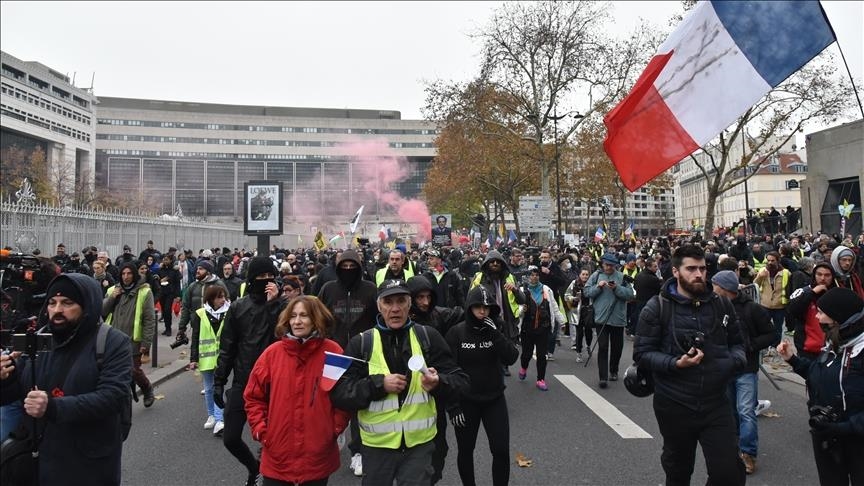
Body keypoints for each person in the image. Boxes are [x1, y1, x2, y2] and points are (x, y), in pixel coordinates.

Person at [330, 279, 470, 486]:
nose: (395, 309)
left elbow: (461, 382)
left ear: (409, 304)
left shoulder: (428, 337)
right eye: (388, 302)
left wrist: (439, 382)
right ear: (379, 306)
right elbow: (340, 393)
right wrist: (378, 385)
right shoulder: (361, 343)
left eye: (401, 301)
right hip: (377, 448)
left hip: (419, 446)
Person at [1, 273, 132, 485]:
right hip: (40, 460)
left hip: (89, 464)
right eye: (52, 303)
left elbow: (112, 397)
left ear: (87, 305)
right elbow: (17, 392)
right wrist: (6, 377)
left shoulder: (113, 342)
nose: (57, 310)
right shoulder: (40, 340)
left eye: (67, 303)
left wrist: (52, 406)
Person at [633, 244, 746, 486]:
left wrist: (731, 362)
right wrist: (676, 363)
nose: (698, 274)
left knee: (729, 473)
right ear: (676, 271)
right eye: (691, 269)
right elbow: (642, 354)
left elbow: (738, 343)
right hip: (674, 403)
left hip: (716, 402)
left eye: (702, 269)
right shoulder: (657, 307)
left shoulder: (721, 304)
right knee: (678, 472)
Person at [244, 296, 351, 485]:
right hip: (277, 454)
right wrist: (261, 430)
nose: (297, 321)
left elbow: (345, 396)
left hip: (317, 455)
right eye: (293, 316)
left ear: (316, 318)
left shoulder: (333, 352)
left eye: (304, 315)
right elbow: (253, 396)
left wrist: (334, 428)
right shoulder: (272, 354)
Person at [777, 287, 864, 486]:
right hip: (827, 434)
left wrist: (844, 427)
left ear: (838, 317)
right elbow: (820, 374)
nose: (817, 317)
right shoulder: (835, 342)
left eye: (821, 313)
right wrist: (792, 360)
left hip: (856, 439)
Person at [213, 256, 286, 486]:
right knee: (231, 437)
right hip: (244, 381)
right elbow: (228, 347)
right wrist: (219, 381)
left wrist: (273, 305)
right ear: (252, 279)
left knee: (272, 438)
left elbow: (284, 337)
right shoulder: (238, 307)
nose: (266, 280)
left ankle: (268, 475)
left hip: (275, 383)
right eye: (261, 276)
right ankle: (254, 468)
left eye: (270, 276)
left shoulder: (284, 307)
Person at [445, 285, 519, 486]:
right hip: (466, 401)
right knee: (465, 450)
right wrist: (453, 406)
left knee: (501, 450)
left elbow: (512, 357)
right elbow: (448, 370)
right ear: (469, 307)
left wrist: (495, 334)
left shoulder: (497, 327)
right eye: (478, 306)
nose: (482, 311)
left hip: (494, 399)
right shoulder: (456, 332)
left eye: (486, 307)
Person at [712, 270, 774, 475]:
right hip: (725, 367)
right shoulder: (715, 307)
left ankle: (748, 453)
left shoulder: (752, 309)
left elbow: (770, 334)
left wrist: (750, 345)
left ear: (724, 287)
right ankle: (734, 447)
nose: (712, 289)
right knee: (730, 411)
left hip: (746, 368)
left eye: (715, 285)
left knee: (746, 411)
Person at [102, 261, 157, 407]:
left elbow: (149, 319)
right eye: (123, 274)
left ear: (134, 275)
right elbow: (103, 311)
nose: (126, 277)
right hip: (113, 338)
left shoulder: (144, 292)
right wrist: (112, 297)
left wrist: (146, 344)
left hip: (133, 340)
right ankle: (120, 400)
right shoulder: (112, 290)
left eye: (129, 273)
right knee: (115, 372)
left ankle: (147, 388)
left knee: (133, 370)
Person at [584, 253, 635, 388]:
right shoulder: (596, 276)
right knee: (603, 347)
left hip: (618, 319)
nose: (609, 267)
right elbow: (587, 292)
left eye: (611, 265)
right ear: (603, 264)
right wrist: (598, 287)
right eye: (607, 265)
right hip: (601, 318)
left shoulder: (621, 277)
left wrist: (617, 288)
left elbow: (630, 295)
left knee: (617, 348)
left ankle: (613, 370)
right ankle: (603, 377)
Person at [188, 284, 230, 437]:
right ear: (211, 299)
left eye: (223, 296)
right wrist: (193, 358)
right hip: (205, 357)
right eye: (219, 297)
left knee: (218, 386)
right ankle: (212, 415)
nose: (223, 300)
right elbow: (195, 337)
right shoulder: (200, 314)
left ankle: (219, 420)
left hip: (222, 357)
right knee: (209, 388)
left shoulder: (229, 312)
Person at [517, 266, 565, 391]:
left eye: (537, 275)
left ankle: (540, 379)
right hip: (527, 328)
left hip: (543, 328)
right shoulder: (522, 290)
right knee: (526, 354)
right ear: (528, 277)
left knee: (542, 355)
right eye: (532, 275)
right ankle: (523, 367)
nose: (534, 277)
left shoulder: (546, 290)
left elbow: (554, 307)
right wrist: (522, 310)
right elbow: (516, 310)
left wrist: (562, 322)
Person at [786, 263, 837, 360]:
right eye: (819, 274)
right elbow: (792, 310)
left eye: (827, 275)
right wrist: (812, 293)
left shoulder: (836, 293)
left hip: (831, 347)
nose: (823, 278)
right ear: (814, 275)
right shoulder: (804, 291)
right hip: (807, 348)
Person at [176, 260, 229, 345]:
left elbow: (227, 303)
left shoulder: (219, 284)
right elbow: (185, 307)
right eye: (197, 269)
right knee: (196, 348)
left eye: (201, 269)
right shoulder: (193, 286)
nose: (197, 271)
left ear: (208, 272)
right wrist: (182, 327)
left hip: (214, 326)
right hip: (197, 325)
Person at [565, 268, 593, 362]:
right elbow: (566, 295)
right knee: (579, 333)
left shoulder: (591, 284)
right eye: (583, 274)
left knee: (588, 331)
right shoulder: (574, 283)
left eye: (587, 274)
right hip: (577, 311)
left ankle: (588, 345)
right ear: (579, 275)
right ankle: (579, 353)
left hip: (588, 310)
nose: (585, 276)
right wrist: (574, 298)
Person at [156, 254, 181, 336]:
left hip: (170, 292)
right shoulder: (160, 269)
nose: (165, 261)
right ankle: (166, 328)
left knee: (167, 310)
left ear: (170, 260)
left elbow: (177, 283)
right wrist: (160, 280)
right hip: (162, 292)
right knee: (163, 310)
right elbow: (156, 279)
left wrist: (178, 295)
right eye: (164, 259)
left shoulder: (174, 270)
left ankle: (168, 328)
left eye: (167, 259)